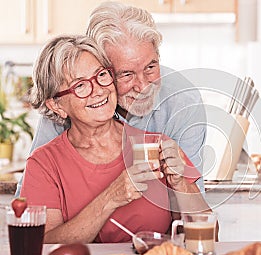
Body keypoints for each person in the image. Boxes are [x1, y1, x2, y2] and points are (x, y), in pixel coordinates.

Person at [20, 35, 212, 244]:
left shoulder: (156, 147)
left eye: (101, 75)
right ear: (56, 105)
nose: (99, 90)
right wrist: (112, 197)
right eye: (80, 86)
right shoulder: (44, 164)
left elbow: (210, 237)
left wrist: (180, 183)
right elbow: (42, 246)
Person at [15, 1, 206, 196]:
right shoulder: (71, 102)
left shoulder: (183, 102)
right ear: (99, 68)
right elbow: (30, 200)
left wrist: (180, 181)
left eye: (150, 67)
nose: (143, 86)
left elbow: (192, 205)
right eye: (126, 74)